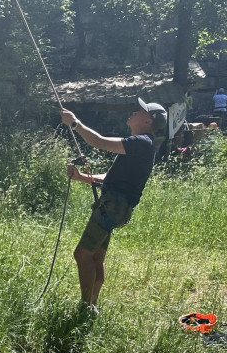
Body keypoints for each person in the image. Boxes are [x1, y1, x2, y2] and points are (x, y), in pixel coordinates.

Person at [59, 98, 167, 311]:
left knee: (82, 255)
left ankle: (85, 308)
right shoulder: (141, 145)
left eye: (140, 111)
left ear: (148, 121)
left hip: (112, 206)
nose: (134, 112)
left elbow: (99, 141)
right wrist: (81, 177)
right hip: (116, 208)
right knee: (96, 257)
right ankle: (93, 304)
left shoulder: (141, 142)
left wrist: (74, 123)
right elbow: (110, 178)